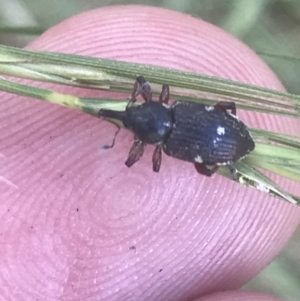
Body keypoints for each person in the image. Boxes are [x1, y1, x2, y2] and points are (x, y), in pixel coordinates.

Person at [0, 5, 299, 301]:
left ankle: (228, 163)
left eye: (135, 109)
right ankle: (228, 162)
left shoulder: (165, 142)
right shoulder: (171, 113)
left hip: (224, 142)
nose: (131, 116)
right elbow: (148, 90)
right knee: (211, 150)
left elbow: (144, 159)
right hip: (217, 138)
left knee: (206, 166)